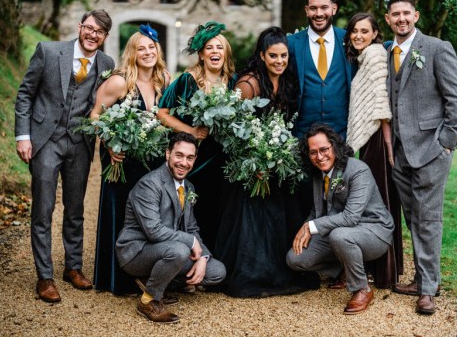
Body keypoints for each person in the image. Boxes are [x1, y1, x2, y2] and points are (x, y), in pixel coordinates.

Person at [15, 10, 115, 303]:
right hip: (46, 140)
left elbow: (109, 104)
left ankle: (73, 267)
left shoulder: (107, 64)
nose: (92, 35)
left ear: (105, 37)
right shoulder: (48, 51)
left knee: (75, 209)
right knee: (43, 209)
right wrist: (23, 136)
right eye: (89, 28)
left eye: (99, 32)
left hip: (80, 144)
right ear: (80, 27)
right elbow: (25, 95)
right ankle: (45, 277)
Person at [214, 26, 320, 297]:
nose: (280, 61)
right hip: (250, 168)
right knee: (253, 221)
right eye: (273, 56)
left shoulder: (285, 81)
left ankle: (277, 270)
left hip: (273, 162)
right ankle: (253, 274)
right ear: (261, 56)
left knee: (277, 216)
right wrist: (254, 161)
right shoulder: (248, 84)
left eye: (283, 56)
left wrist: (274, 156)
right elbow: (229, 128)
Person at [384, 0, 457, 314]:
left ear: (416, 16)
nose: (401, 19)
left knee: (429, 219)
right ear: (389, 19)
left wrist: (445, 143)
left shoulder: (436, 48)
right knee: (413, 218)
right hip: (400, 154)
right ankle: (422, 277)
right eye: (395, 15)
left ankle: (428, 289)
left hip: (431, 150)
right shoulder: (387, 51)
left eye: (406, 13)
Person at [91, 25, 171, 295]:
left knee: (150, 217)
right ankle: (116, 278)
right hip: (122, 162)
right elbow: (94, 116)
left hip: (152, 162)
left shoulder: (164, 81)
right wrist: (111, 141)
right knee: (122, 215)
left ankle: (149, 276)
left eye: (152, 47)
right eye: (141, 48)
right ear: (132, 53)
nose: (147, 52)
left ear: (158, 50)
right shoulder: (119, 81)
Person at [115, 132, 226, 324]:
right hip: (137, 251)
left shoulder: (188, 187)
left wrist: (203, 258)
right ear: (168, 154)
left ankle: (155, 282)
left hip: (170, 250)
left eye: (190, 158)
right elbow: (153, 231)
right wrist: (190, 242)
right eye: (179, 155)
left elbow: (191, 228)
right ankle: (148, 300)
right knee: (179, 250)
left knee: (217, 271)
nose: (184, 162)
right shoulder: (150, 184)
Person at [286, 123, 394, 315]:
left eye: (324, 150)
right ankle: (345, 269)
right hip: (339, 231)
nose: (319, 157)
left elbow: (351, 218)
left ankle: (362, 289)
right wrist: (305, 227)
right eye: (313, 153)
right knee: (295, 259)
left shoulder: (358, 170)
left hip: (375, 231)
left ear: (334, 146)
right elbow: (317, 209)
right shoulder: (319, 173)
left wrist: (313, 226)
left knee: (339, 236)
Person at [158, 21, 236, 252]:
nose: (215, 52)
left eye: (219, 47)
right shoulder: (187, 81)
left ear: (226, 53)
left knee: (222, 209)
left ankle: (217, 261)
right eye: (209, 48)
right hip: (196, 160)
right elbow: (162, 113)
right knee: (195, 208)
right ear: (201, 54)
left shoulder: (234, 82)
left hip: (225, 160)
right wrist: (190, 130)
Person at [339, 13, 403, 288]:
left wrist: (388, 146)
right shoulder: (364, 58)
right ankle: (373, 266)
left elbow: (381, 105)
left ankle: (383, 269)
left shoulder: (375, 55)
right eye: (354, 31)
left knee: (377, 203)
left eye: (364, 31)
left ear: (376, 33)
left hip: (377, 139)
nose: (358, 36)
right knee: (369, 202)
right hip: (368, 140)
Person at [287, 0, 356, 139]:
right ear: (306, 10)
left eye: (324, 7)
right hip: (300, 137)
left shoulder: (350, 40)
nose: (318, 14)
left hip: (341, 137)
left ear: (334, 8)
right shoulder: (290, 44)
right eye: (313, 8)